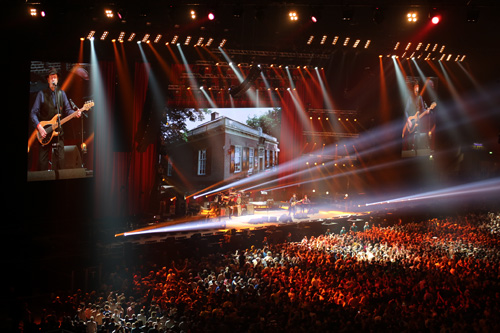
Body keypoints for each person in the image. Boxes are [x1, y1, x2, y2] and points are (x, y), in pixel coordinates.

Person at [30, 68, 81, 170]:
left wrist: (75, 113)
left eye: (55, 77)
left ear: (57, 80)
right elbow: (33, 113)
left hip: (58, 132)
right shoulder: (41, 94)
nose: (53, 79)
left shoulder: (61, 94)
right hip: (45, 132)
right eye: (51, 77)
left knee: (61, 161)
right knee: (42, 162)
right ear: (48, 79)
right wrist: (39, 127)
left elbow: (68, 110)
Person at [402, 82, 426, 151]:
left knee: (417, 135)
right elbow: (405, 111)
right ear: (413, 88)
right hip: (411, 120)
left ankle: (416, 149)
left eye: (418, 87)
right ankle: (408, 148)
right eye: (415, 87)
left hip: (418, 120)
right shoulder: (410, 98)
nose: (416, 88)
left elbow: (422, 108)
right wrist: (408, 120)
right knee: (409, 136)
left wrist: (426, 111)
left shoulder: (420, 97)